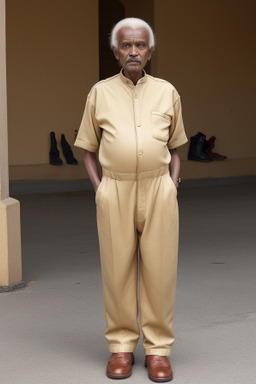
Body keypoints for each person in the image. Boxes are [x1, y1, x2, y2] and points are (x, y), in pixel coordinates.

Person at [74, 17, 187, 382]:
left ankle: (158, 351)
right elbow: (87, 150)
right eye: (126, 45)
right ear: (115, 51)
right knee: (117, 271)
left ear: (150, 51)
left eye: (140, 45)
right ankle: (121, 347)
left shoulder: (168, 92)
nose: (133, 51)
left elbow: (176, 147)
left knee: (160, 271)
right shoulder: (99, 93)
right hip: (115, 191)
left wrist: (172, 184)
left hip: (158, 189)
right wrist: (100, 189)